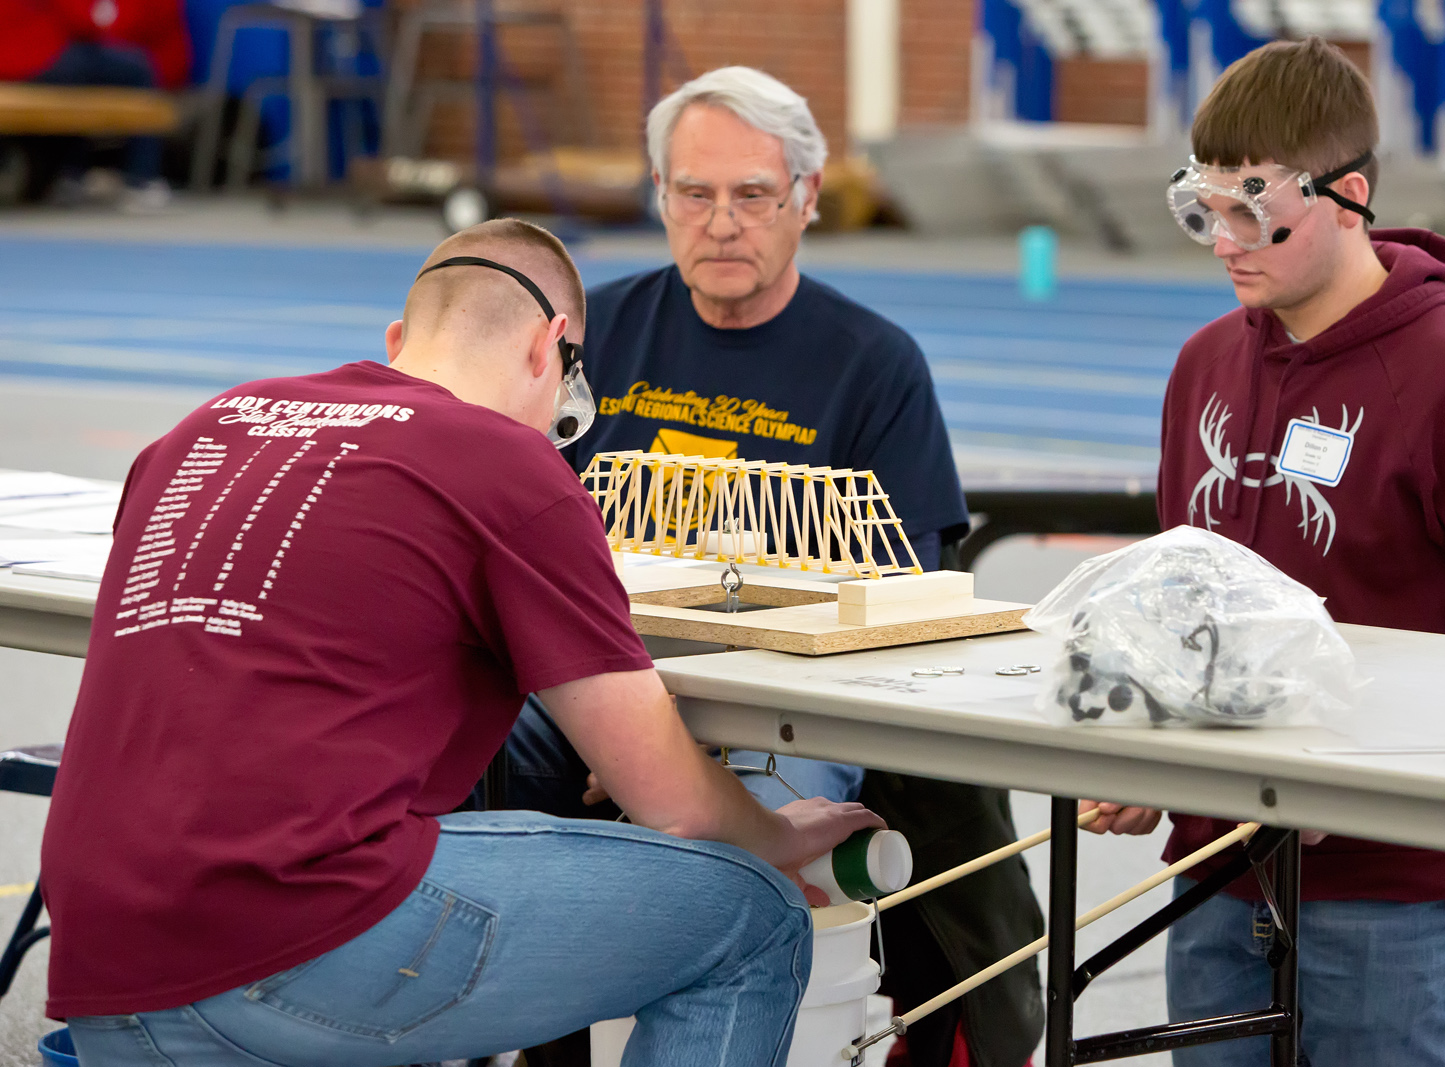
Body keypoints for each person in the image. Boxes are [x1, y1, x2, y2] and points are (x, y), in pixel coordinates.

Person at [39, 218, 884, 1067]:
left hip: (102, 954)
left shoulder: (203, 427)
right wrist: (779, 837)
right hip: (289, 937)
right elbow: (676, 803)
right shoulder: (511, 462)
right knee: (750, 918)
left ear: (400, 340)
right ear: (551, 347)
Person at [504, 66, 1045, 1067]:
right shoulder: (585, 339)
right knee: (458, 757)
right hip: (597, 679)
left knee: (749, 844)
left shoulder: (874, 364)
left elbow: (899, 600)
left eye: (752, 194)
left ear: (807, 196)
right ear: (658, 194)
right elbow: (513, 549)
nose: (721, 223)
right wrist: (616, 720)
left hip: (790, 704)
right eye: (694, 193)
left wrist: (665, 749)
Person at [1077, 38, 1445, 1067]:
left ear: (1347, 195)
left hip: (1392, 892)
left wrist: (1358, 779)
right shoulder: (1202, 365)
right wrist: (1151, 752)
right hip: (1216, 870)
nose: (1224, 242)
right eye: (1202, 210)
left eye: (1252, 210)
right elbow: (1182, 604)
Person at [0, 0, 188, 208]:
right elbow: (84, 22)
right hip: (37, 59)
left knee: (81, 81)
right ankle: (140, 180)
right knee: (138, 69)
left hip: (17, 62)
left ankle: (71, 174)